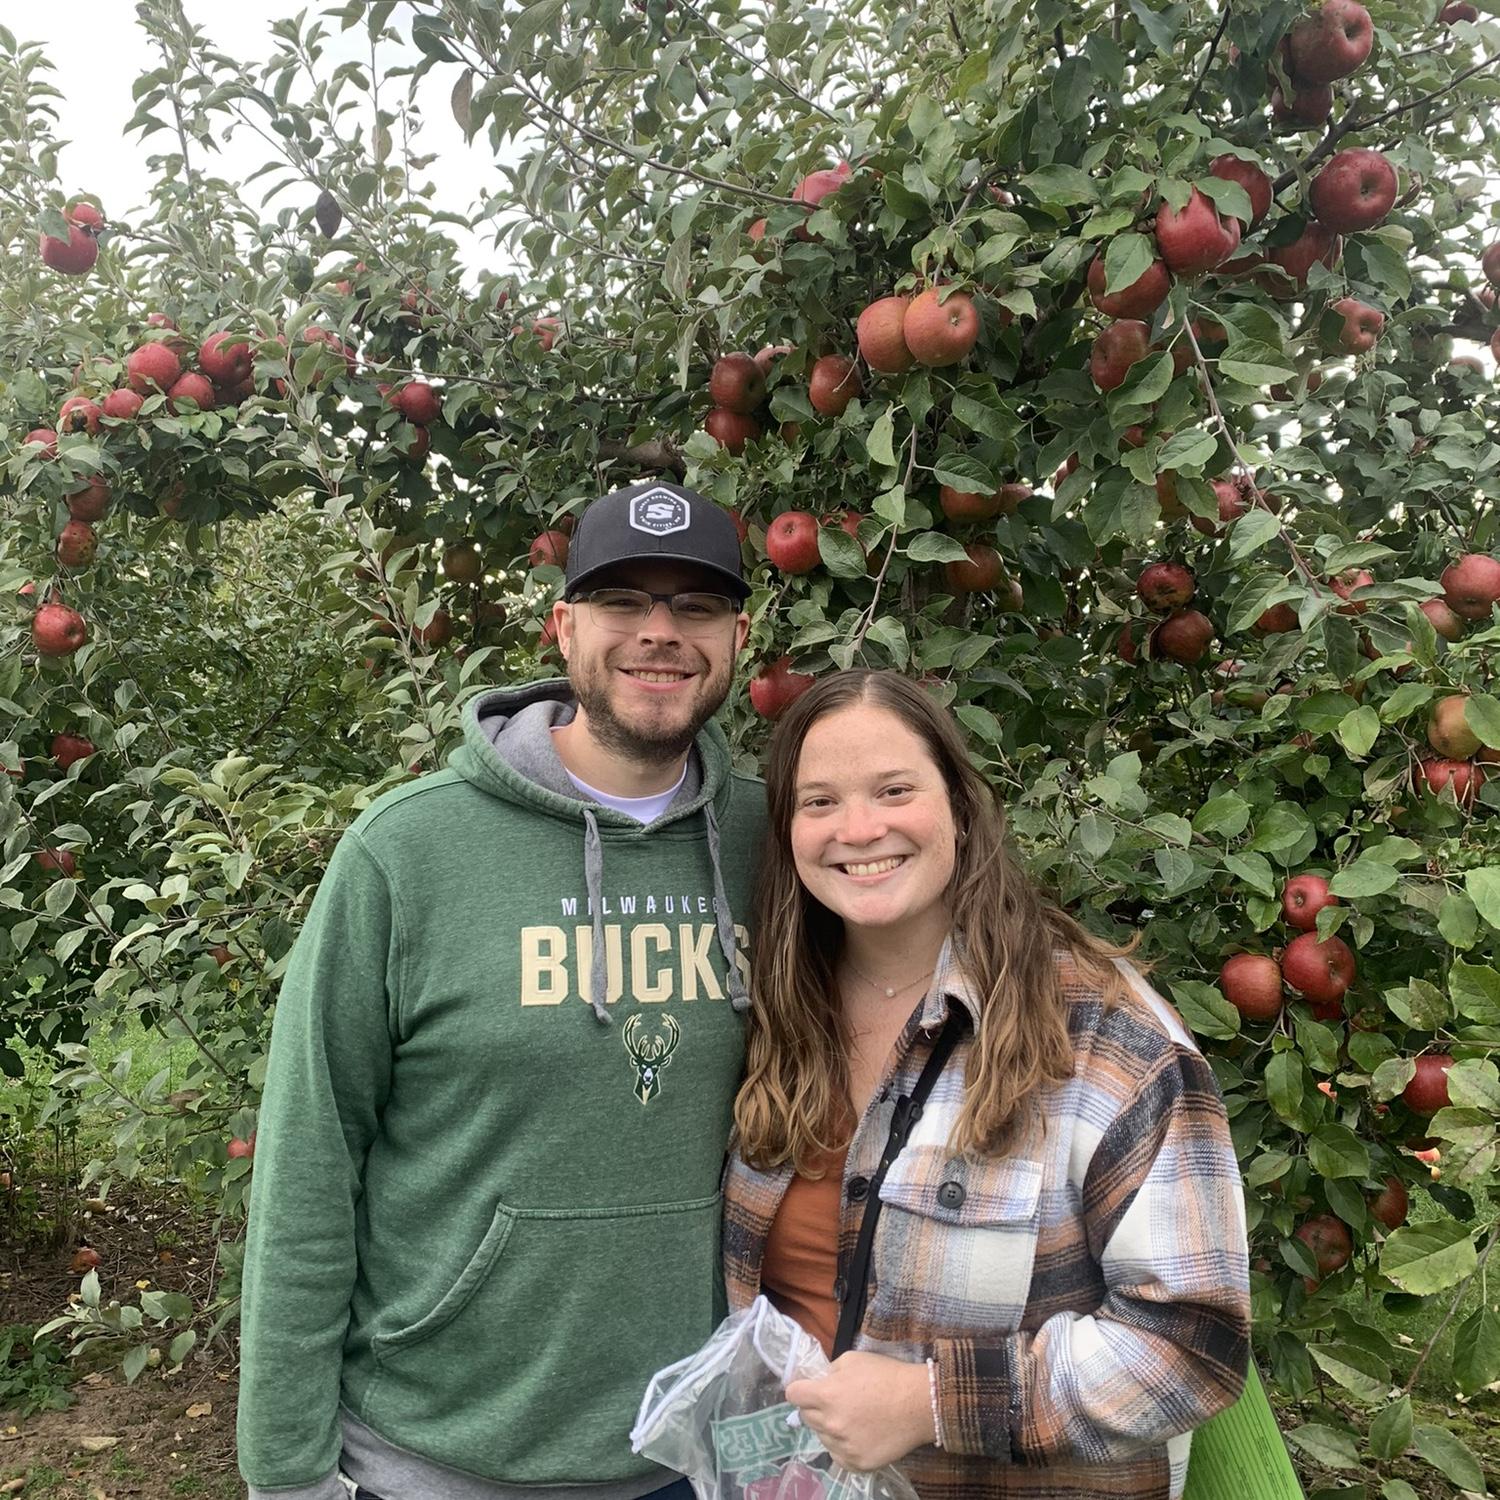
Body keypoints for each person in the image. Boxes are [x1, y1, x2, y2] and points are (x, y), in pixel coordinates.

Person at [238, 481, 766, 1500]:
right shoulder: (408, 852)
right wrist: (287, 1471)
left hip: (686, 1455)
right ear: (562, 628)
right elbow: (310, 1165)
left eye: (695, 607)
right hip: (438, 1455)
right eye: (624, 602)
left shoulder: (777, 841)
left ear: (736, 637)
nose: (661, 633)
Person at [723, 669, 1249, 1499]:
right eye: (818, 802)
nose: (858, 829)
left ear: (961, 810)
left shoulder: (1104, 1038)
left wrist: (937, 1400)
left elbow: (1191, 1344)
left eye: (894, 790)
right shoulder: (777, 1015)